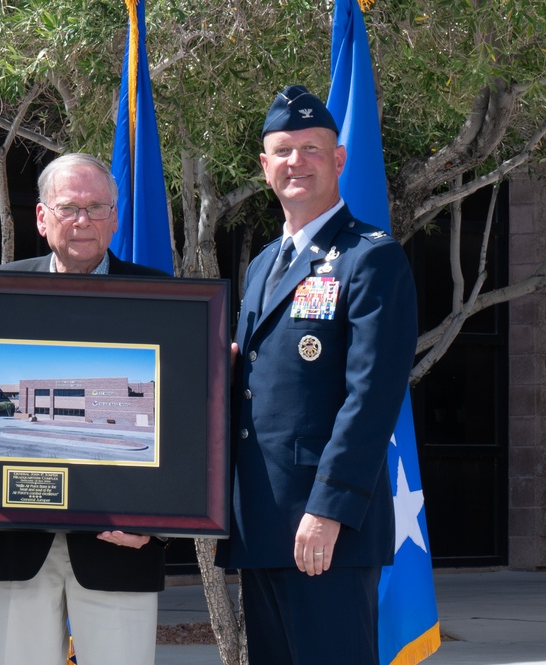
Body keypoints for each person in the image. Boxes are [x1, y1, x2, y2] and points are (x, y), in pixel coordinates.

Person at [214, 85, 418, 664]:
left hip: (324, 529)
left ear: (339, 159)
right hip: (263, 526)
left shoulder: (369, 257)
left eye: (310, 148)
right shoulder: (261, 266)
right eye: (282, 151)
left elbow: (371, 398)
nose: (295, 162)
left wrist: (328, 509)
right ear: (264, 166)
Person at [0, 153, 169, 665]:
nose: (82, 220)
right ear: (42, 218)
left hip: (122, 542)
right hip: (16, 545)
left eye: (96, 207)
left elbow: (189, 422)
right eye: (68, 207)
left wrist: (161, 520)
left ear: (115, 216)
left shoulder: (164, 303)